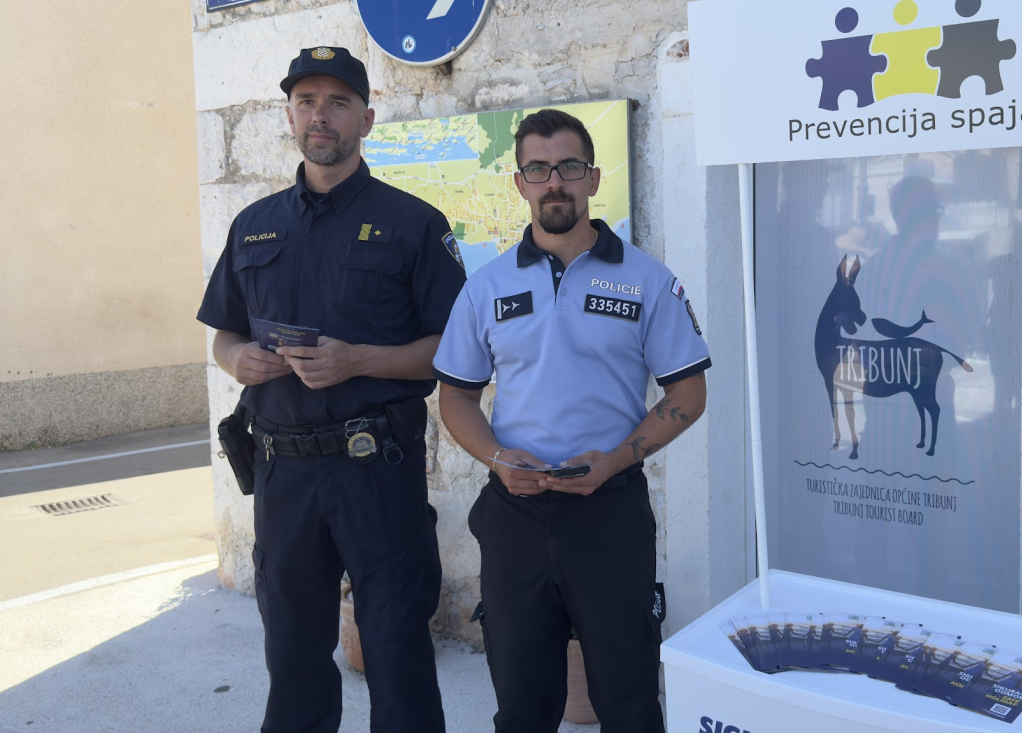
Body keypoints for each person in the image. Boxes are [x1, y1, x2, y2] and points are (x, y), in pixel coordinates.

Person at [197, 46, 466, 733]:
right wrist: (238, 362)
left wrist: (358, 361)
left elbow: (454, 353)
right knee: (291, 656)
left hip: (376, 471)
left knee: (398, 653)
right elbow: (223, 334)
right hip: (283, 476)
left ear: (366, 118)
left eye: (338, 102)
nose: (321, 115)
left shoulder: (415, 225)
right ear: (288, 115)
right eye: (307, 101)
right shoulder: (253, 224)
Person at [433, 108, 711, 732]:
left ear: (593, 178)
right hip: (515, 517)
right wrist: (499, 460)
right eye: (538, 167)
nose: (554, 180)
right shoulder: (485, 287)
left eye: (569, 166)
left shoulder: (647, 280)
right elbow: (456, 398)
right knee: (523, 707)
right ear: (520, 183)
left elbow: (688, 392)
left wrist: (615, 459)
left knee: (630, 703)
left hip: (609, 514)